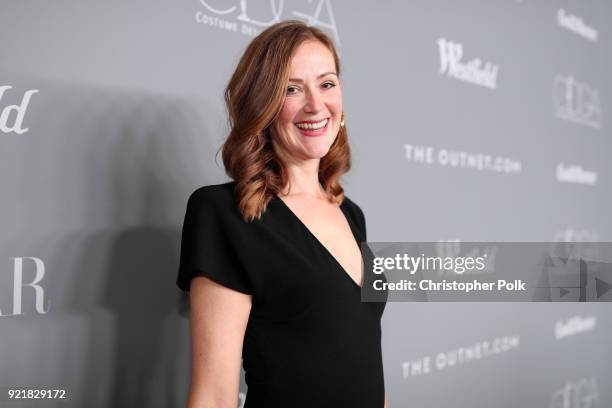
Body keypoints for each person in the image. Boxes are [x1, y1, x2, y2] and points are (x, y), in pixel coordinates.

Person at [176, 20, 388, 408]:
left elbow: (365, 364)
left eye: (327, 84)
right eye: (292, 89)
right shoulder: (224, 213)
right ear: (263, 104)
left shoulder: (350, 213)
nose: (315, 104)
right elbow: (214, 395)